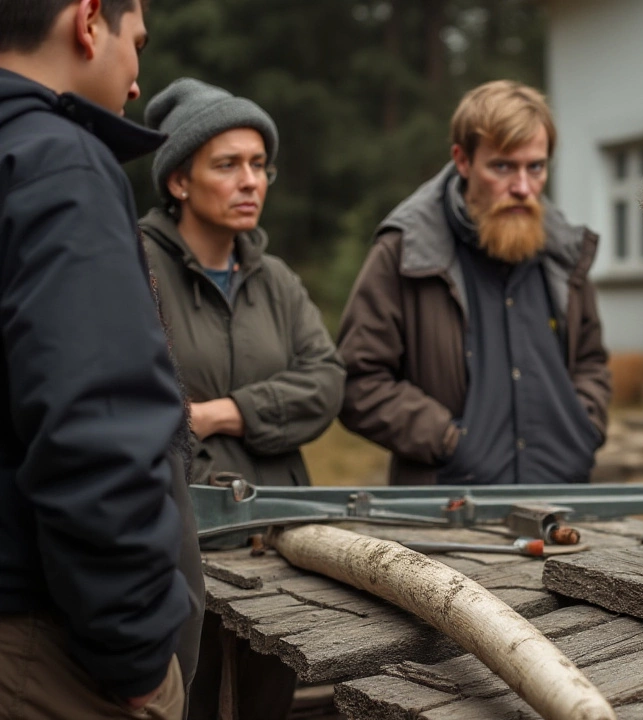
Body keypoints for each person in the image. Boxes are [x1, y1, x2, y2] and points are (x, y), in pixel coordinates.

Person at [0, 0, 191, 717]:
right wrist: (138, 658)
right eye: (136, 42)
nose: (138, 80)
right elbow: (94, 432)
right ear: (88, 21)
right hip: (42, 650)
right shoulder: (57, 162)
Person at [138, 77, 345, 720]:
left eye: (259, 165)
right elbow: (144, 406)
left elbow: (326, 382)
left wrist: (220, 412)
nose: (250, 180)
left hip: (283, 545)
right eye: (227, 164)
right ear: (178, 180)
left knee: (269, 704)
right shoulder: (134, 264)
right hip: (181, 546)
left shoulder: (275, 278)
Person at [338, 80, 610, 486]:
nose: (522, 188)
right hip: (447, 511)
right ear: (462, 161)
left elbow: (591, 362)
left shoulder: (565, 252)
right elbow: (358, 381)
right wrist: (450, 440)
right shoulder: (407, 251)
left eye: (535, 167)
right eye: (502, 166)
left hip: (563, 503)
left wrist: (581, 429)